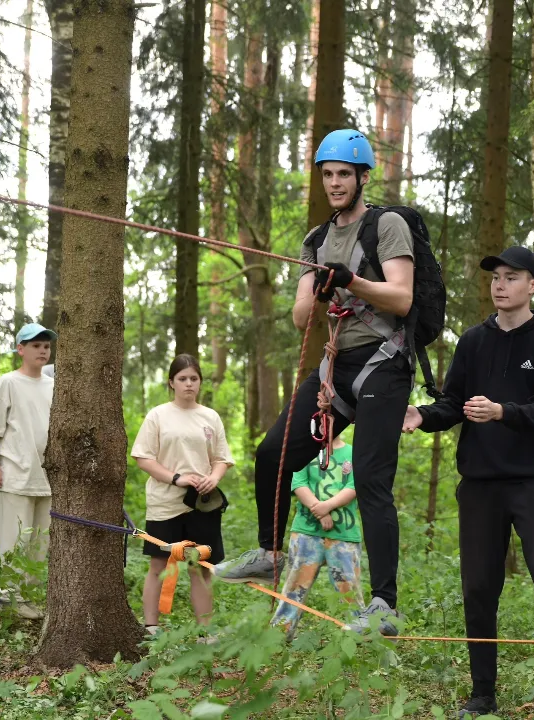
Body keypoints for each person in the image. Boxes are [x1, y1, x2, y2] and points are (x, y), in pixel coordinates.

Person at [215, 129, 415, 635]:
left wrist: (352, 280)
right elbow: (302, 318)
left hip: (384, 363)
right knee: (273, 453)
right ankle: (270, 550)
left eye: (343, 174)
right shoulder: (316, 239)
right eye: (327, 175)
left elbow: (402, 298)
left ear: (363, 177)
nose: (334, 183)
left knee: (370, 478)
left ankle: (384, 604)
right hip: (335, 366)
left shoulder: (386, 225)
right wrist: (321, 285)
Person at [403, 246, 534, 720]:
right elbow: (453, 403)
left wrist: (500, 411)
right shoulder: (473, 341)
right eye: (495, 277)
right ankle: (483, 694)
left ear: (533, 285)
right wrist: (422, 415)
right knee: (478, 587)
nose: (500, 284)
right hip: (480, 485)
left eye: (512, 277)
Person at [131, 354, 234, 635]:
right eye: (182, 379)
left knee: (201, 567)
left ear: (200, 382)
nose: (189, 384)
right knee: (158, 564)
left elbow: (221, 458)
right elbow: (143, 458)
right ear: (171, 383)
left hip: (203, 505)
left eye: (194, 378)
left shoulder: (210, 417)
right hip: (165, 504)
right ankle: (151, 628)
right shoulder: (158, 416)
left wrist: (213, 478)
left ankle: (205, 632)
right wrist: (176, 478)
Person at [0, 322, 57, 620]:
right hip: (14, 474)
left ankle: (29, 600)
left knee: (39, 544)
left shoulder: (54, 385)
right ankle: (9, 601)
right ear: (20, 349)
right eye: (36, 345)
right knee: (15, 541)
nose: (42, 350)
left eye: (46, 346)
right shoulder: (8, 383)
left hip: (48, 480)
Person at [270, 435, 364, 638]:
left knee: (349, 587)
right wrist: (319, 511)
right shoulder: (304, 450)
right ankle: (279, 635)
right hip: (306, 533)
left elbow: (354, 486)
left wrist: (327, 507)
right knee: (294, 585)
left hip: (344, 534)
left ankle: (360, 636)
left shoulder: (353, 452)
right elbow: (298, 483)